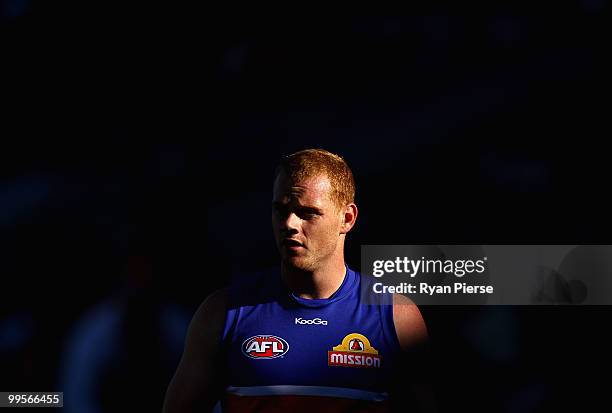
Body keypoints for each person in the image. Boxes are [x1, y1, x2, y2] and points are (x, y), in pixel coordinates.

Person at [162, 149, 435, 413]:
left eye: (308, 213)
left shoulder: (395, 317)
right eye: (281, 210)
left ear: (347, 218)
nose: (290, 223)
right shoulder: (223, 312)